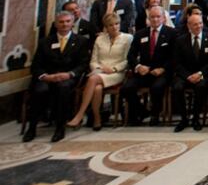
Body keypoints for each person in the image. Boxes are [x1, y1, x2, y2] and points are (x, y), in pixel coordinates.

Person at [25, 11, 90, 142]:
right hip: (48, 77)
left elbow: (83, 64)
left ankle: (60, 128)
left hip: (68, 77)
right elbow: (36, 65)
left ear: (72, 23)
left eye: (67, 21)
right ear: (56, 24)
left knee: (63, 89)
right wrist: (45, 76)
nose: (64, 24)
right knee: (39, 90)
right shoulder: (45, 42)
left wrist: (69, 74)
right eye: (61, 22)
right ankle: (31, 128)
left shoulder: (81, 41)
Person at [67, 13, 131, 130]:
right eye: (111, 25)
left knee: (92, 79)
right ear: (106, 27)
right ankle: (97, 119)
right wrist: (99, 69)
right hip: (99, 71)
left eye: (116, 24)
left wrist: (113, 69)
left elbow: (127, 60)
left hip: (117, 73)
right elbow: (93, 60)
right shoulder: (99, 39)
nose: (114, 27)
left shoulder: (127, 38)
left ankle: (80, 114)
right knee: (97, 88)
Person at [122, 6, 175, 126]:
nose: (155, 20)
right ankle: (142, 111)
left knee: (157, 87)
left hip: (162, 72)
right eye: (152, 17)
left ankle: (155, 115)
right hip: (143, 71)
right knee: (126, 88)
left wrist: (163, 69)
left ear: (163, 18)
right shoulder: (141, 34)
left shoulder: (171, 33)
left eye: (158, 17)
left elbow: (174, 56)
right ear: (148, 18)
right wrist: (138, 66)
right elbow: (131, 55)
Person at [172, 12, 208, 132]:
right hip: (184, 75)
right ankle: (183, 118)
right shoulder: (180, 40)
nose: (198, 26)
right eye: (195, 24)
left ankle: (196, 118)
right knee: (177, 87)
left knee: (201, 86)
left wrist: (200, 74)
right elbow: (177, 63)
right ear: (189, 26)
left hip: (203, 74)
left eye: (200, 23)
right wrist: (187, 76)